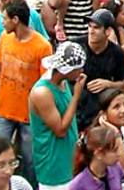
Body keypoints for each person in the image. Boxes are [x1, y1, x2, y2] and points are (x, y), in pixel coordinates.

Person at [0, 0, 51, 187]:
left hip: (29, 115)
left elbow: (46, 83)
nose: (2, 22)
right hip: (3, 110)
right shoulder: (4, 38)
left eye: (5, 18)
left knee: (30, 160)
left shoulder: (42, 46)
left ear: (15, 20)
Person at [29, 41, 88, 190]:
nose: (81, 71)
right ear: (66, 70)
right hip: (53, 164)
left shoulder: (63, 82)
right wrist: (76, 96)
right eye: (78, 68)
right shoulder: (42, 93)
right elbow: (60, 130)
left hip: (69, 159)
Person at [75, 8, 124, 130]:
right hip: (76, 101)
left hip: (99, 107)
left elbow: (122, 84)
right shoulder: (76, 46)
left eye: (96, 27)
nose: (91, 31)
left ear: (108, 32)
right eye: (89, 26)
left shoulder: (116, 52)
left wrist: (108, 84)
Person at [69, 125, 123, 190]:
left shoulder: (116, 169)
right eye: (114, 151)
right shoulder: (78, 185)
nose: (119, 154)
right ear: (99, 153)